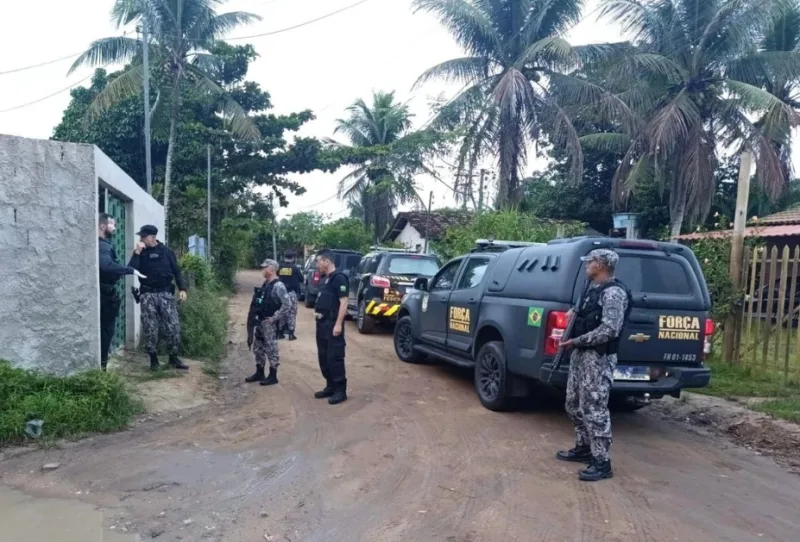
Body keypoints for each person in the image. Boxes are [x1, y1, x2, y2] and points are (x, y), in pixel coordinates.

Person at [557, 249, 631, 482]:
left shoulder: (614, 293)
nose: (587, 266)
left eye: (590, 262)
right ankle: (584, 448)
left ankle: (602, 461)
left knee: (594, 408)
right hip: (581, 356)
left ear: (600, 264)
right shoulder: (592, 290)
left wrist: (577, 340)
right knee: (573, 404)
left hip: (597, 358)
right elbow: (583, 315)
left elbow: (610, 330)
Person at [128, 225, 189, 371]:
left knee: (173, 326)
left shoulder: (166, 252)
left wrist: (182, 289)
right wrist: (137, 252)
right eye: (141, 236)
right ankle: (153, 360)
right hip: (147, 294)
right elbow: (131, 270)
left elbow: (177, 271)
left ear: (152, 237)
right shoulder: (140, 253)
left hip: (166, 294)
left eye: (144, 236)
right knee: (150, 327)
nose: (141, 239)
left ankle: (173, 358)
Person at [98, 213, 146, 370]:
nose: (115, 228)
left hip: (105, 294)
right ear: (103, 226)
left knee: (106, 333)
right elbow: (106, 266)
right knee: (105, 334)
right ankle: (102, 369)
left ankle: (101, 367)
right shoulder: (103, 245)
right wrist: (129, 270)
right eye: (112, 224)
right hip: (104, 296)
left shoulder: (103, 244)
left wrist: (130, 266)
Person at [312, 249, 350, 405]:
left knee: (334, 357)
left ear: (326, 261)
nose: (317, 264)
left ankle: (340, 391)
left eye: (318, 261)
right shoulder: (324, 279)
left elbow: (344, 303)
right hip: (321, 324)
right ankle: (330, 386)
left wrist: (338, 324)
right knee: (323, 357)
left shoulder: (339, 278)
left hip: (333, 324)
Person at [246, 259, 291, 385]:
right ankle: (260, 372)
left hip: (269, 323)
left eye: (265, 268)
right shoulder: (266, 283)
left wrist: (274, 318)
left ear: (271, 270)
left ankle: (273, 375)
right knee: (258, 348)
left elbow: (287, 305)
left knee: (271, 348)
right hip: (260, 321)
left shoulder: (278, 286)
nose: (263, 270)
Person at [277, 250, 303, 341]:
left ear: (284, 257)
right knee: (292, 312)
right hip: (291, 293)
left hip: (281, 293)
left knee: (282, 311)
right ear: (293, 258)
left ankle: (280, 333)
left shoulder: (280, 267)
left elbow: (277, 275)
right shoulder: (295, 268)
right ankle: (291, 334)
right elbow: (301, 279)